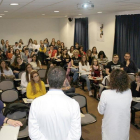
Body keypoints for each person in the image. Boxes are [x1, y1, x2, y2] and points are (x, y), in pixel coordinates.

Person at [29, 66, 81, 140]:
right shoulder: (74, 104)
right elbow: (75, 134)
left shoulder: (35, 103)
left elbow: (33, 133)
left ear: (47, 81)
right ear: (64, 82)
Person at [98, 69, 132, 140]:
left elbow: (100, 111)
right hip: (124, 125)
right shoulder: (129, 92)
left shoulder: (106, 93)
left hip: (110, 126)